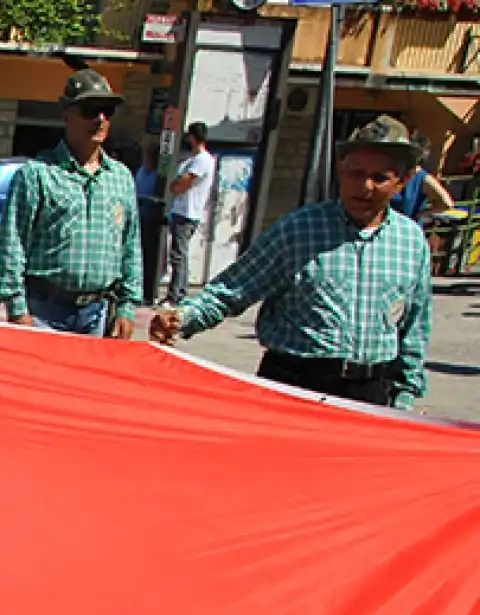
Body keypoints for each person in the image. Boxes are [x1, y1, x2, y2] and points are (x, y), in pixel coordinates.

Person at [150, 116, 432, 411]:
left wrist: (404, 396)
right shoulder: (298, 230)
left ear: (403, 181)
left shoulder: (410, 242)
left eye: (379, 178)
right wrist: (183, 318)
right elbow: (233, 289)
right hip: (295, 386)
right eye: (356, 173)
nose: (365, 186)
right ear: (341, 169)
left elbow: (415, 329)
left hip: (368, 393)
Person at [0, 69, 142, 337]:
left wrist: (127, 307)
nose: (100, 119)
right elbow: (12, 242)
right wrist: (16, 308)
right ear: (66, 114)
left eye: (107, 110)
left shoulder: (121, 178)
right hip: (43, 311)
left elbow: (130, 247)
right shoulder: (38, 174)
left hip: (98, 313)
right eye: (90, 110)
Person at [165, 121, 215, 304]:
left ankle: (177, 294)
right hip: (181, 210)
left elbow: (182, 184)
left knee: (179, 255)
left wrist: (175, 185)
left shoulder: (202, 160)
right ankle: (177, 291)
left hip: (187, 212)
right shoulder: (191, 159)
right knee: (177, 254)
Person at [134, 141, 164, 305]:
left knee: (150, 258)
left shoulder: (158, 175)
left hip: (153, 220)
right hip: (139, 217)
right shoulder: (141, 172)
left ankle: (148, 292)